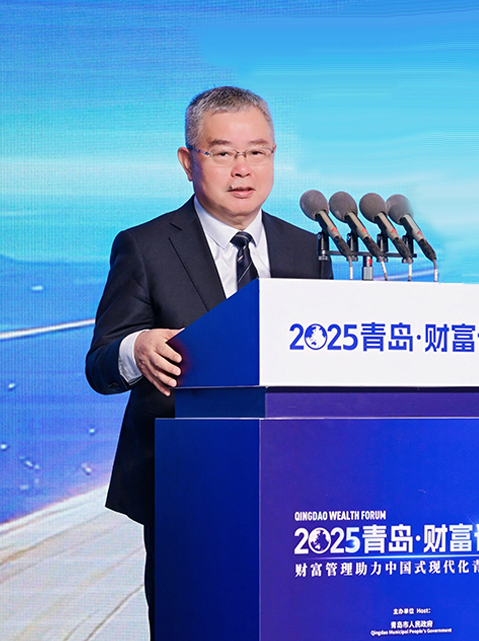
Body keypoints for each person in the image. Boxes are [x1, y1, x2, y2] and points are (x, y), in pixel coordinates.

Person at [85, 86, 332, 634]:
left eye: (257, 152)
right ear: (187, 161)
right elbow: (100, 363)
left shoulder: (308, 250)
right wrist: (136, 348)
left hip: (293, 485)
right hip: (186, 484)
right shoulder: (146, 246)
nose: (243, 169)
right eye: (223, 153)